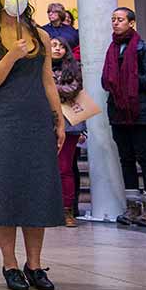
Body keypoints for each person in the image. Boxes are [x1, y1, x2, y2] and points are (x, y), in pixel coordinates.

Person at [0, 0, 64, 290]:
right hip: (4, 121)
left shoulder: (39, 34)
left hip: (36, 118)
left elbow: (47, 80)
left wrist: (59, 117)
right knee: (6, 190)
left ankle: (35, 263)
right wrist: (12, 55)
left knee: (37, 189)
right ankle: (10, 263)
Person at [102, 7, 146, 228]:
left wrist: (127, 80)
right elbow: (104, 80)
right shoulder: (112, 49)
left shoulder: (144, 48)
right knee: (125, 159)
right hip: (118, 111)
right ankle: (133, 207)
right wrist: (114, 80)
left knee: (144, 157)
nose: (115, 23)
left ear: (132, 23)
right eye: (113, 20)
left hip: (141, 111)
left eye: (120, 19)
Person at [49, 37, 86, 227]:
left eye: (61, 46)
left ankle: (67, 210)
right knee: (46, 169)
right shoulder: (39, 66)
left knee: (65, 168)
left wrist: (49, 88)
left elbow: (72, 89)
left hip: (69, 123)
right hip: (42, 122)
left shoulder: (73, 67)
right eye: (54, 45)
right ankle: (48, 209)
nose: (57, 49)